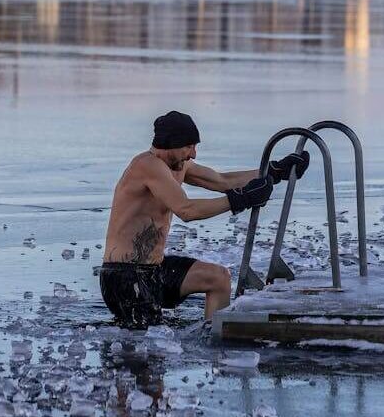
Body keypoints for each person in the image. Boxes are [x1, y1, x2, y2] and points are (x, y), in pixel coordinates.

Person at [100, 111, 309, 328]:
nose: (194, 154)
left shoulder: (179, 166)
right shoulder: (146, 165)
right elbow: (187, 210)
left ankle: (213, 338)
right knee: (150, 345)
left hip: (156, 269)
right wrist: (241, 200)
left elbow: (223, 181)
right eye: (189, 146)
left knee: (218, 278)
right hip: (124, 277)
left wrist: (274, 171)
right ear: (171, 143)